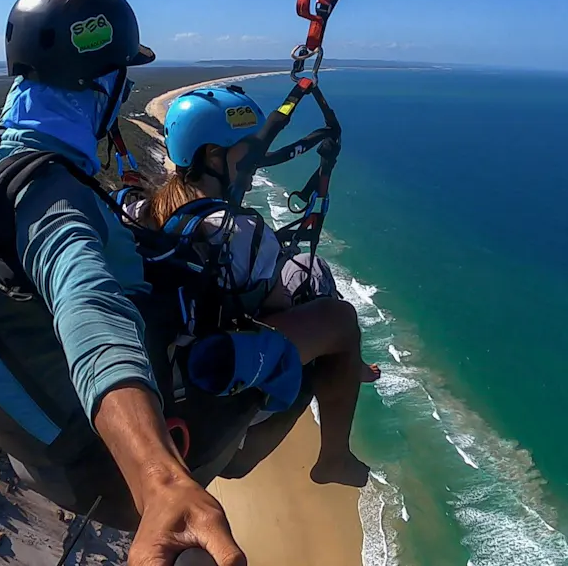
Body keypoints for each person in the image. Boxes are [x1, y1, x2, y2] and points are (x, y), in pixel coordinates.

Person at [0, 0, 247, 566]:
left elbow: (46, 62)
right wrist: (161, 479)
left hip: (59, 417)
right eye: (118, 83)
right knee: (309, 330)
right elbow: (88, 305)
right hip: (143, 432)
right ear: (103, 91)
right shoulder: (53, 200)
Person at [128, 85, 379, 488]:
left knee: (306, 275)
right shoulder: (242, 235)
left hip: (168, 374)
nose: (255, 159)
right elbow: (274, 307)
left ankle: (351, 366)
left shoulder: (143, 210)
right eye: (246, 149)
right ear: (213, 156)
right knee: (335, 314)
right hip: (223, 420)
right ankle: (334, 455)